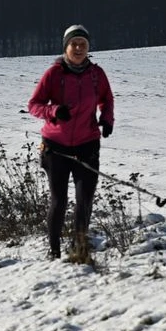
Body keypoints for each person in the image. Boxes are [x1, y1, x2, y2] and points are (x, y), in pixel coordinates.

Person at [27, 24, 115, 260]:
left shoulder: (97, 74)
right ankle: (54, 250)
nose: (78, 48)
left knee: (84, 200)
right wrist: (54, 111)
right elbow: (34, 105)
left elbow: (107, 100)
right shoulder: (54, 74)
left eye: (83, 44)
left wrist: (106, 119)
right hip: (55, 148)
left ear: (88, 48)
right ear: (65, 47)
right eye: (73, 44)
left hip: (87, 144)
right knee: (59, 200)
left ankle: (80, 248)